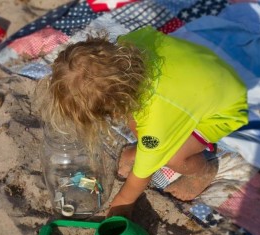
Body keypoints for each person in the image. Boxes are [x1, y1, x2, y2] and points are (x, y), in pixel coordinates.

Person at [40, 25, 248, 218]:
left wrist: (123, 202)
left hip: (223, 110)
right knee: (143, 127)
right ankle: (149, 144)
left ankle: (202, 172)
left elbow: (143, 173)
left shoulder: (155, 120)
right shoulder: (130, 45)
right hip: (206, 74)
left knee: (172, 157)